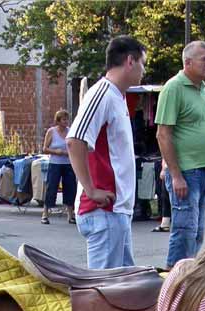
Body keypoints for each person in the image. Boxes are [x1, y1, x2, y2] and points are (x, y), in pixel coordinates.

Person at [67, 35, 146, 269]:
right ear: (130, 61)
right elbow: (75, 140)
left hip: (115, 211)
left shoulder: (117, 97)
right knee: (103, 293)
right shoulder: (101, 94)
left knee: (121, 291)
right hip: (104, 211)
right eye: (142, 63)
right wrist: (91, 190)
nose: (143, 70)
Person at [155, 41, 205, 268]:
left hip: (202, 171)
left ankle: (188, 278)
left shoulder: (202, 89)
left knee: (197, 232)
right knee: (184, 231)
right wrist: (175, 175)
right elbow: (163, 134)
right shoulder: (174, 88)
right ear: (188, 62)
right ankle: (174, 281)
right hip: (185, 172)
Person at [40, 109, 77, 225]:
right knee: (51, 187)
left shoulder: (70, 131)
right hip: (55, 163)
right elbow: (44, 149)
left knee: (70, 188)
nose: (66, 122)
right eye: (64, 119)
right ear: (58, 121)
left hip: (68, 163)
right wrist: (56, 151)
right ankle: (45, 213)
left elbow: (73, 146)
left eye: (67, 119)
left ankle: (70, 214)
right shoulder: (52, 132)